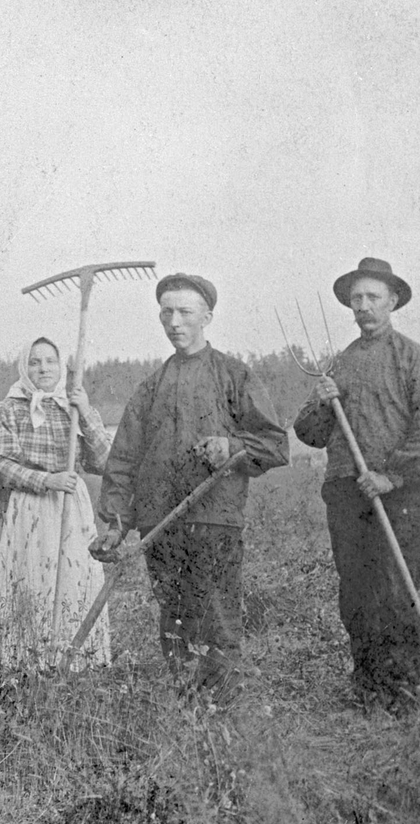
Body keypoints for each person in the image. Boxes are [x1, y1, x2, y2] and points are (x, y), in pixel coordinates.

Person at [90, 274, 288, 703]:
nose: (174, 321)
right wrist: (116, 523)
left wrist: (231, 447)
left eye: (185, 312)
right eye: (166, 312)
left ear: (207, 317)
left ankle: (220, 714)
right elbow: (123, 461)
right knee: (174, 618)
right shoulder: (150, 388)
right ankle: (185, 709)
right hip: (160, 525)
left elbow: (274, 445)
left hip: (214, 521)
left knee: (216, 619)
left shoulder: (234, 376)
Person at [293, 258, 420, 713]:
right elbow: (310, 432)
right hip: (346, 490)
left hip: (398, 493)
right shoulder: (338, 364)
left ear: (393, 301)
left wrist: (392, 475)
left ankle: (402, 689)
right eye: (356, 299)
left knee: (397, 589)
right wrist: (322, 404)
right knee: (356, 592)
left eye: (372, 297)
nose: (363, 306)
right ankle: (367, 685)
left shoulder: (415, 358)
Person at [0, 337, 114, 667]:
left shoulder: (74, 406)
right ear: (25, 367)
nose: (43, 369)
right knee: (29, 580)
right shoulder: (8, 409)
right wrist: (45, 480)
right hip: (25, 509)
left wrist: (84, 411)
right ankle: (24, 664)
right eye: (35, 362)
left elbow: (105, 460)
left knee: (71, 581)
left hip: (70, 508)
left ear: (60, 366)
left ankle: (74, 663)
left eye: (50, 361)